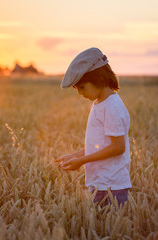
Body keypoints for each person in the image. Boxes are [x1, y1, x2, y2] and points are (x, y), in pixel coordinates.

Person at [55, 47, 131, 207]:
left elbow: (118, 147)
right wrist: (74, 156)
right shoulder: (100, 104)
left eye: (82, 87)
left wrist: (82, 161)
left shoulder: (112, 107)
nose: (79, 93)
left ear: (99, 79)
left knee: (111, 231)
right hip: (100, 183)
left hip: (112, 187)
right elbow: (101, 146)